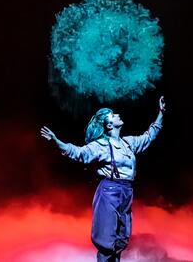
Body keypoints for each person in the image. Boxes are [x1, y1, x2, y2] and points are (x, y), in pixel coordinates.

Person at [40, 96, 165, 262]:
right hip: (109, 192)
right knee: (107, 240)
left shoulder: (128, 143)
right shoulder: (101, 146)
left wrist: (161, 113)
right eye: (113, 115)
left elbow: (149, 136)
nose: (117, 115)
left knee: (121, 238)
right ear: (109, 125)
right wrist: (57, 142)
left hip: (126, 191)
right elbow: (78, 153)